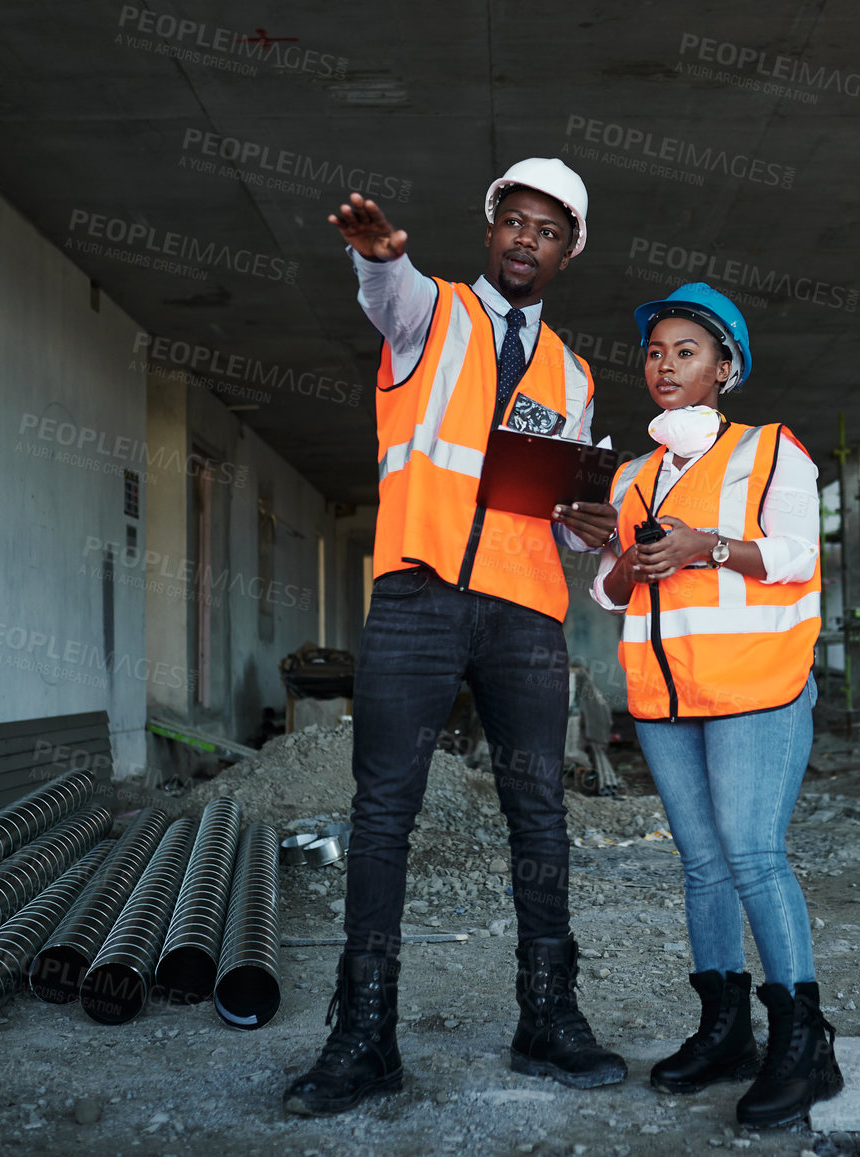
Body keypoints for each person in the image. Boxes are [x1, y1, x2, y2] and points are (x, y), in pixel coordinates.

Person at [284, 159, 626, 1117]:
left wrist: (583, 523)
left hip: (524, 611)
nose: (527, 240)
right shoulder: (428, 311)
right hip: (419, 592)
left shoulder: (574, 373)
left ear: (569, 251)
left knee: (540, 814)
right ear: (489, 233)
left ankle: (549, 1016)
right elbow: (384, 292)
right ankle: (363, 1035)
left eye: (547, 231)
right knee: (385, 810)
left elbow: (550, 505)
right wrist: (379, 258)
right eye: (513, 222)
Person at [590, 283, 843, 1129]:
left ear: (724, 367)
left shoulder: (772, 450)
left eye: (685, 351)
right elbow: (610, 591)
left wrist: (709, 547)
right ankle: (724, 1028)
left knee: (751, 854)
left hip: (756, 687)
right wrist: (625, 556)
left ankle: (803, 1043)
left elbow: (799, 557)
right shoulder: (631, 474)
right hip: (665, 698)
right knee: (699, 863)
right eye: (655, 352)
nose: (664, 365)